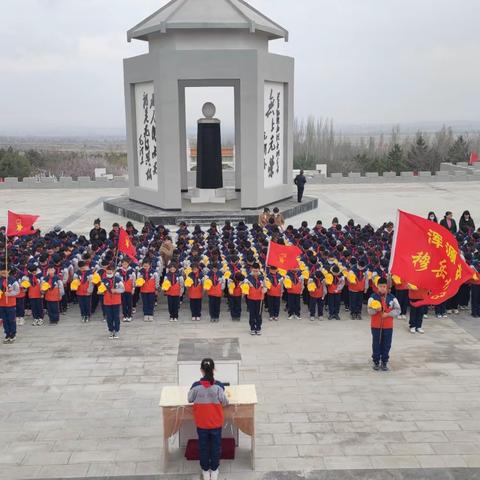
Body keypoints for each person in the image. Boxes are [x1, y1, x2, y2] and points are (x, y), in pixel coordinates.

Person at [188, 358, 229, 480]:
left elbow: (189, 399)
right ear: (214, 369)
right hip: (216, 423)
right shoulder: (219, 386)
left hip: (202, 424)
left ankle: (205, 471)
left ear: (201, 370)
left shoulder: (195, 386)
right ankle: (214, 470)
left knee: (203, 447)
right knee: (216, 447)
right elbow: (225, 402)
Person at [367, 277, 401, 371]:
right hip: (376, 325)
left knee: (387, 344)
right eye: (381, 286)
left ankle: (384, 361)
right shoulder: (372, 297)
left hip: (388, 326)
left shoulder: (392, 298)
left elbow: (398, 310)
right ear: (377, 286)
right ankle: (376, 361)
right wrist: (375, 310)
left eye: (384, 286)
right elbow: (369, 311)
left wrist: (388, 314)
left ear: (387, 287)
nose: (382, 288)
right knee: (376, 343)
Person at [101, 265, 125, 339]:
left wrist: (116, 290)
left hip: (116, 301)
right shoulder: (103, 280)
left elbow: (123, 289)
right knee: (109, 317)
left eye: (110, 271)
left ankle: (116, 330)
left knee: (116, 317)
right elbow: (101, 289)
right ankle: (111, 330)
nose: (109, 272)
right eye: (107, 271)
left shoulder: (118, 280)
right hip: (107, 301)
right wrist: (101, 291)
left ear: (114, 271)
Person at [0, 264, 20, 344]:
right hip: (1, 304)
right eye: (2, 271)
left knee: (11, 320)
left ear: (9, 271)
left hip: (11, 304)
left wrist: (10, 294)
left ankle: (13, 334)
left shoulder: (13, 280)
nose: (3, 272)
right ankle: (7, 334)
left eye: (5, 271)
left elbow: (17, 291)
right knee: (4, 320)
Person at [244, 263, 265, 335]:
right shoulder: (248, 278)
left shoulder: (262, 277)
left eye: (257, 271)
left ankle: (258, 327)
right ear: (251, 270)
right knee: (252, 314)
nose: (255, 272)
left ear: (259, 270)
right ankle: (252, 328)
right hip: (251, 299)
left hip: (260, 299)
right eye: (254, 271)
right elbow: (244, 286)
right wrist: (247, 285)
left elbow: (267, 286)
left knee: (258, 314)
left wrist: (265, 288)